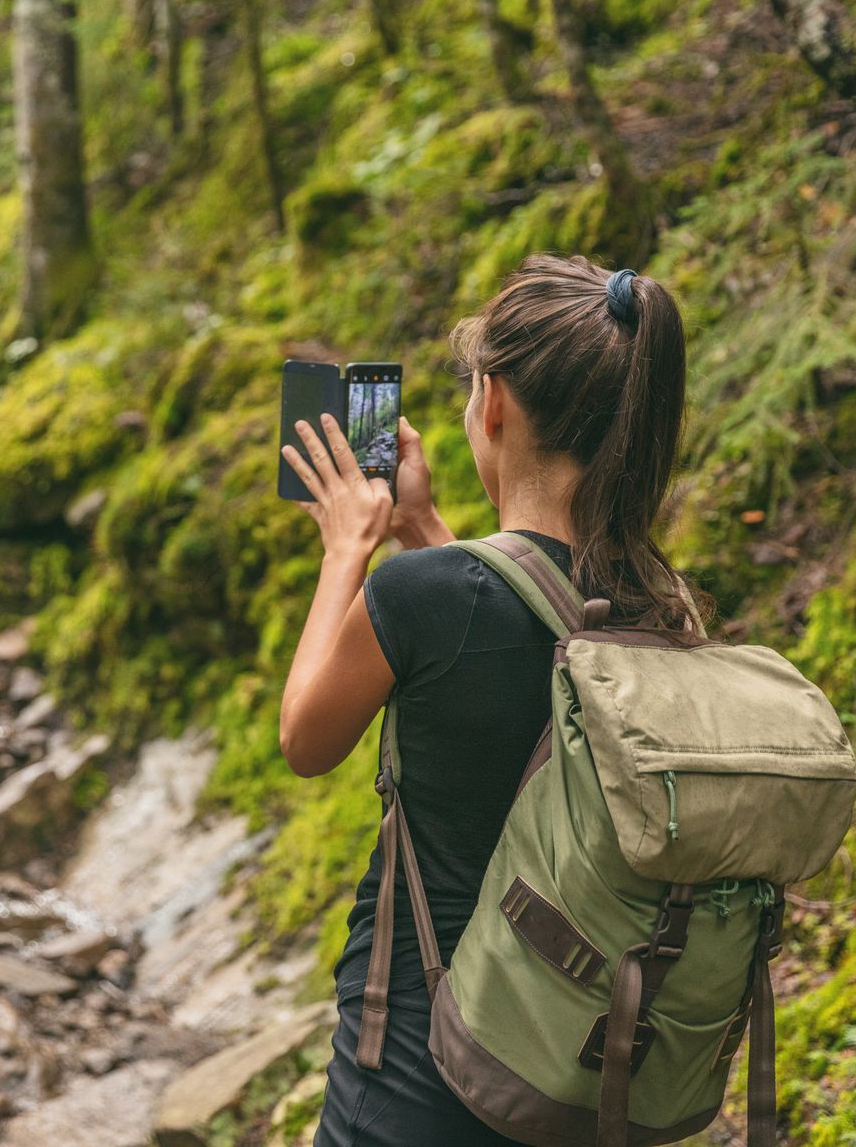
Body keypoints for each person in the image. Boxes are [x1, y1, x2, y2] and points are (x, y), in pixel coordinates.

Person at [278, 254, 703, 1147]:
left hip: (414, 1073)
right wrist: (424, 531)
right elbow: (523, 630)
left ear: (495, 402)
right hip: (578, 1077)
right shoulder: (661, 609)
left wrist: (348, 549)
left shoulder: (423, 597)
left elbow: (307, 736)